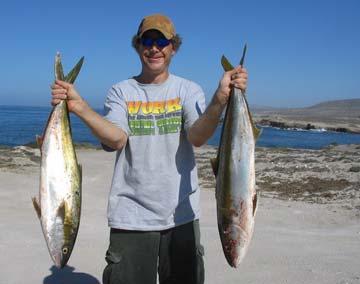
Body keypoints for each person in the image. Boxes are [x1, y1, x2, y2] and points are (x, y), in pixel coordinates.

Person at [51, 13, 247, 284]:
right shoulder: (121, 92)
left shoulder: (188, 90)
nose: (154, 48)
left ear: (173, 47)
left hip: (182, 217)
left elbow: (198, 136)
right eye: (147, 40)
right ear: (138, 46)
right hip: (130, 217)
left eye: (162, 41)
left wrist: (220, 100)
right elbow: (116, 138)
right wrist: (80, 107)